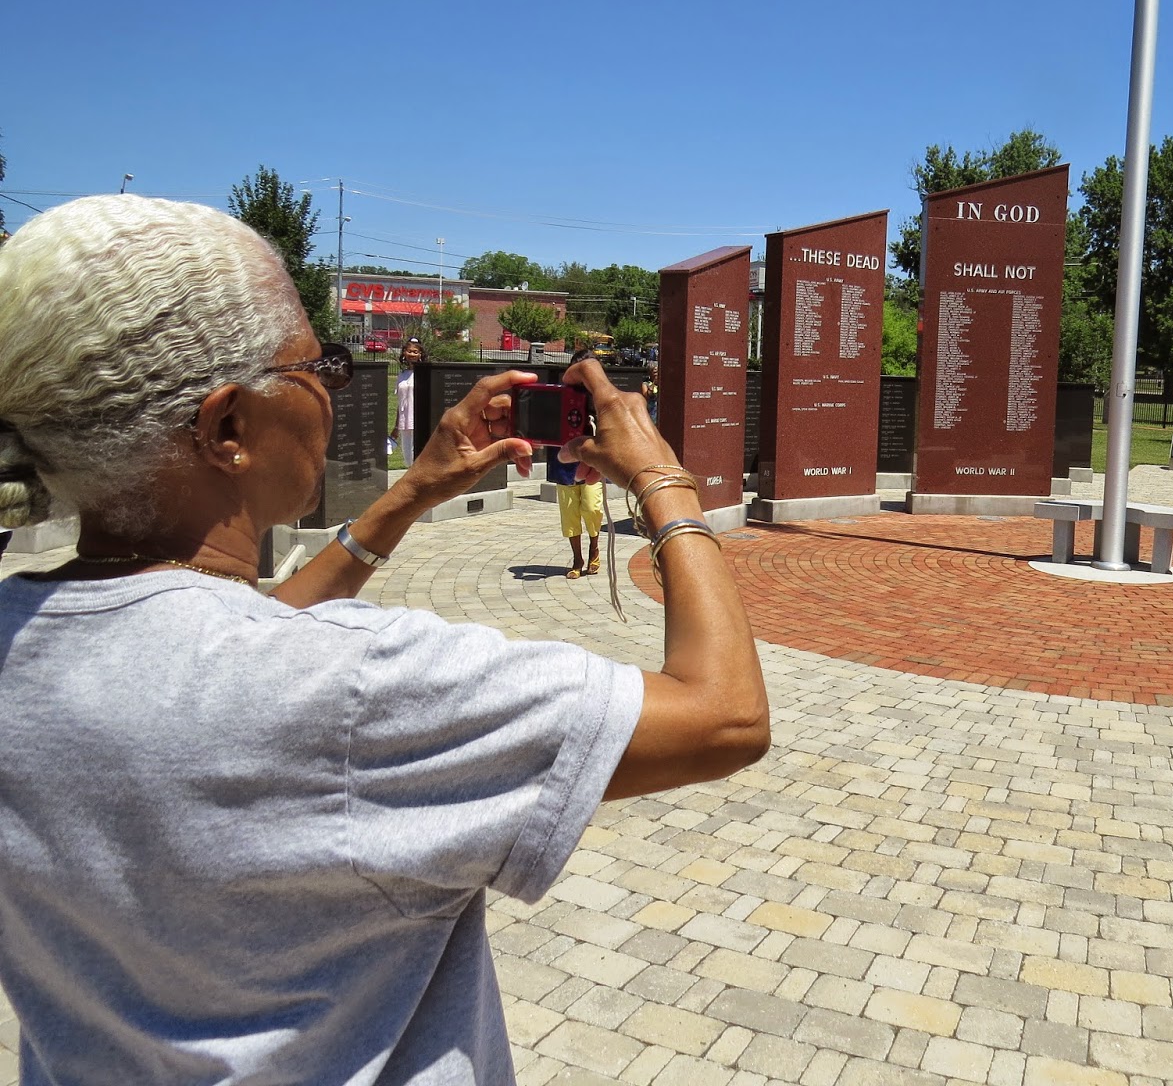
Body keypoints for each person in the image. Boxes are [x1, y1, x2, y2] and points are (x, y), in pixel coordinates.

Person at [0, 195, 767, 1084]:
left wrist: (411, 493)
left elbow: (217, 651)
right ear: (226, 429)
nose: (331, 387)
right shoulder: (356, 683)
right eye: (316, 364)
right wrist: (663, 479)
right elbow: (725, 716)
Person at [546, 444, 603, 577]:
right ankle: (577, 559)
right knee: (569, 513)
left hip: (591, 460)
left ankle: (593, 549)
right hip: (564, 464)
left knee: (592, 508)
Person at [389, 335, 424, 465]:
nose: (412, 354)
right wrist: (396, 426)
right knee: (408, 458)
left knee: (420, 458)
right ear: (404, 353)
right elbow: (400, 402)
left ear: (420, 354)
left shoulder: (424, 374)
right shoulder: (402, 375)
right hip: (405, 422)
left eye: (415, 352)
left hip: (420, 421)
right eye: (409, 351)